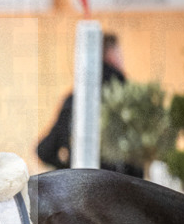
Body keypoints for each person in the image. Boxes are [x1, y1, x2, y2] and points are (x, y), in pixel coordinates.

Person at [35, 33, 142, 177]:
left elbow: (44, 151)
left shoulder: (74, 99)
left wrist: (69, 167)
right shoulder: (128, 97)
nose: (122, 59)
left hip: (80, 186)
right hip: (119, 186)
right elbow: (138, 155)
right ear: (110, 54)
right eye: (120, 54)